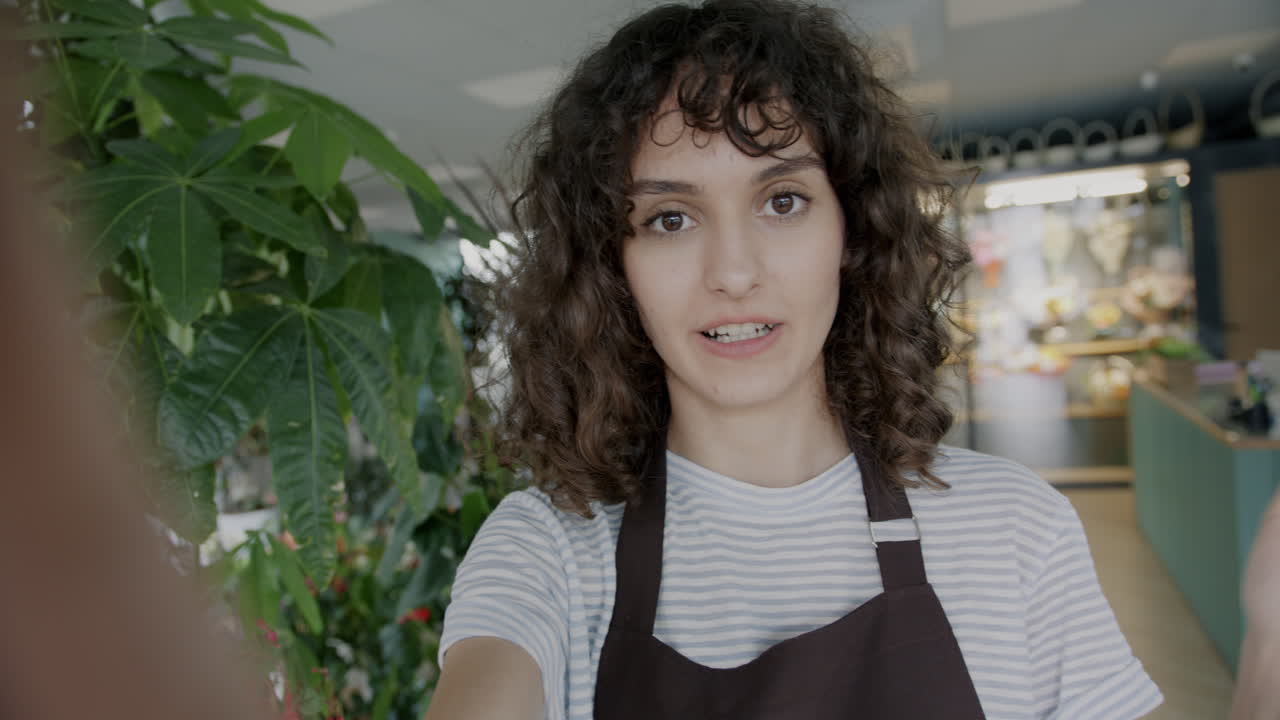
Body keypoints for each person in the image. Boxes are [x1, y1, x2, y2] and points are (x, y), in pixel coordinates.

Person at [425, 1, 1162, 718]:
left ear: (853, 229)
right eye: (670, 219)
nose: (735, 272)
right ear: (612, 268)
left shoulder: (1015, 532)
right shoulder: (553, 551)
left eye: (782, 200)